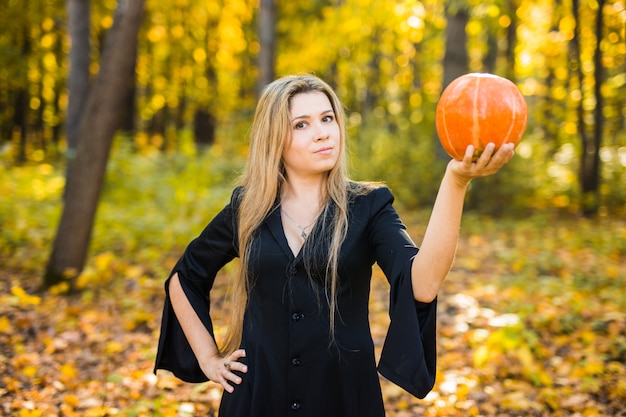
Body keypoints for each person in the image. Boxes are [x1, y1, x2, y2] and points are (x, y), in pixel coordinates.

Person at [154, 74, 515, 416]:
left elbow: (422, 283)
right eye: (302, 124)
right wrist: (208, 358)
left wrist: (456, 182)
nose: (322, 134)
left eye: (328, 119)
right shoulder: (247, 208)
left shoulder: (369, 206)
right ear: (274, 138)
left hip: (343, 396)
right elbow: (185, 277)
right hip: (257, 396)